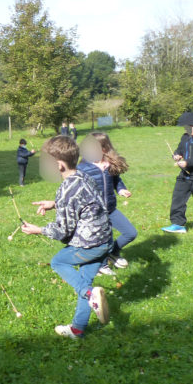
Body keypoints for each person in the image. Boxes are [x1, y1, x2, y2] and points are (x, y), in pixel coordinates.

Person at [21, 136, 112, 339]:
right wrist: (55, 204)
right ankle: (77, 329)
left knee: (58, 262)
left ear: (59, 165)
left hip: (89, 244)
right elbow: (83, 201)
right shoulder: (83, 176)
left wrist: (38, 230)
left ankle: (89, 295)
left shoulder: (66, 190)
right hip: (105, 240)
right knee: (85, 280)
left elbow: (63, 230)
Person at [78, 132, 137, 275]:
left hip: (110, 209)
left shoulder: (109, 164)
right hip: (94, 213)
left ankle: (113, 252)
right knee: (102, 240)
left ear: (105, 148)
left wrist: (121, 189)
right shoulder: (83, 168)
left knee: (131, 233)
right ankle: (101, 265)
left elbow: (116, 180)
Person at [161, 112, 193, 235]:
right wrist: (177, 155)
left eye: (189, 127)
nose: (187, 130)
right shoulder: (185, 137)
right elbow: (179, 149)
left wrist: (188, 163)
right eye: (185, 128)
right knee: (177, 199)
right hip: (185, 175)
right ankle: (178, 224)